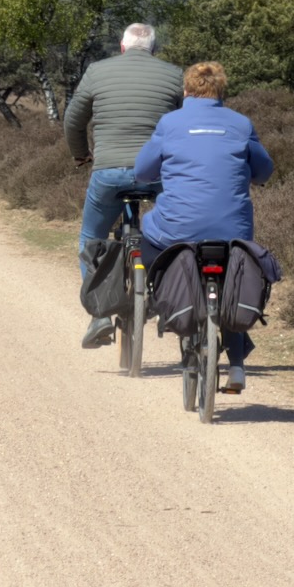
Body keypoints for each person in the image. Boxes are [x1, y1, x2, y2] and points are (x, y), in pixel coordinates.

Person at [131, 61, 274, 391]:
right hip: (232, 231)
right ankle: (237, 365)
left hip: (176, 227)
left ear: (186, 91)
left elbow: (142, 171)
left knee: (149, 234)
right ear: (222, 90)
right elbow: (264, 171)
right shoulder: (241, 124)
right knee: (232, 279)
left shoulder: (170, 122)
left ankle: (164, 300)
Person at [62, 22, 183, 348]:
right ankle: (168, 296)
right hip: (159, 176)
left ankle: (100, 315)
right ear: (153, 49)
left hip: (110, 172)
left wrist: (80, 155)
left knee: (91, 237)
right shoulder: (174, 75)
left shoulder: (97, 72)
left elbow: (73, 120)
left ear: (122, 46)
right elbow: (187, 124)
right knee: (178, 233)